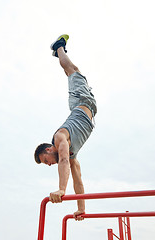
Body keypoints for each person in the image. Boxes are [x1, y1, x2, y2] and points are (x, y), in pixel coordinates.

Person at [34, 34, 97, 221]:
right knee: (71, 72)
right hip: (84, 105)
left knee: (73, 70)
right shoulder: (72, 155)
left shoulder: (60, 137)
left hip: (81, 101)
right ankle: (58, 52)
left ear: (49, 148)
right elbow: (77, 179)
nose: (49, 164)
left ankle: (59, 47)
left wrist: (61, 189)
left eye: (46, 160)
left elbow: (62, 161)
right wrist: (81, 208)